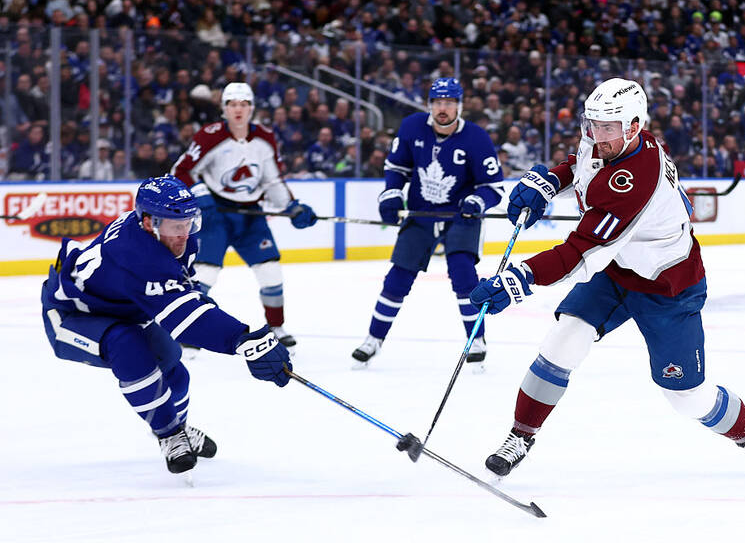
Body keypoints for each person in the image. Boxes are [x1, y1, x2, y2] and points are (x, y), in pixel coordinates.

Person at [470, 78, 745, 478]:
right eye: (593, 124)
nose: (597, 135)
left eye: (607, 127)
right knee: (564, 340)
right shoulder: (612, 138)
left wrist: (518, 280)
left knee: (686, 399)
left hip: (667, 287)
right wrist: (551, 182)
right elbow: (582, 165)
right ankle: (521, 435)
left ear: (634, 127)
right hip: (618, 270)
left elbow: (578, 254)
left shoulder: (634, 180)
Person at [41, 176, 293, 475]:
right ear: (149, 223)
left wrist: (242, 338)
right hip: (72, 317)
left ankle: (178, 429)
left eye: (189, 223)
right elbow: (184, 318)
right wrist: (243, 340)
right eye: (177, 226)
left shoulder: (172, 236)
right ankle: (170, 434)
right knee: (128, 346)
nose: (185, 234)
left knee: (172, 364)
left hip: (123, 308)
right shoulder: (135, 253)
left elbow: (185, 294)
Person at [351, 77, 504, 369]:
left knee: (463, 274)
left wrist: (477, 201)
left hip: (461, 216)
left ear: (459, 105)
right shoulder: (412, 127)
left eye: (448, 103)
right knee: (398, 277)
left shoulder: (476, 138)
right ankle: (373, 339)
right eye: (437, 102)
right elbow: (396, 167)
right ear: (430, 104)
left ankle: (477, 339)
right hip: (422, 213)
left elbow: (493, 187)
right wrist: (392, 194)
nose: (442, 108)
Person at [171, 82, 317, 352]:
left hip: (251, 215)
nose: (238, 110)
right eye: (232, 104)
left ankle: (276, 327)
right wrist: (201, 196)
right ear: (224, 109)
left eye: (243, 104)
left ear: (251, 108)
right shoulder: (209, 135)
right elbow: (181, 171)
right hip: (217, 214)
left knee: (271, 272)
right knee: (205, 274)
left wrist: (291, 206)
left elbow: (272, 180)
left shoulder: (265, 137)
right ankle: (190, 331)